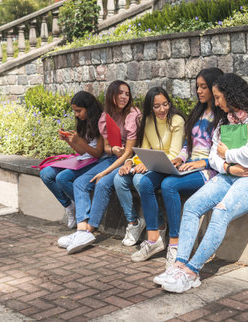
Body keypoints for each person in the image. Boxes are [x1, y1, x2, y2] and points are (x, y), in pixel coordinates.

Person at [155, 73, 248, 293]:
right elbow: (212, 157)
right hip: (229, 174)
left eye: (219, 97)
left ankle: (192, 272)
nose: (216, 102)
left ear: (231, 95)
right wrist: (229, 166)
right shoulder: (225, 120)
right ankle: (179, 265)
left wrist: (228, 153)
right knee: (191, 207)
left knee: (221, 211)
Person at [57, 80, 141, 254]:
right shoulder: (106, 116)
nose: (124, 97)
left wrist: (105, 171)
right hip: (113, 157)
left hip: (130, 159)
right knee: (80, 182)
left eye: (127, 93)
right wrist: (113, 149)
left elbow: (128, 153)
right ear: (111, 95)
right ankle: (81, 230)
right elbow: (107, 148)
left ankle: (89, 230)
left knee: (102, 183)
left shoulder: (133, 115)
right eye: (120, 93)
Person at [159, 68, 224, 268]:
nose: (199, 91)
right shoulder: (197, 112)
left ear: (215, 87)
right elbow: (188, 144)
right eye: (197, 87)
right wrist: (179, 158)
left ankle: (175, 242)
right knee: (163, 179)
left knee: (169, 184)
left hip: (210, 169)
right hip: (190, 165)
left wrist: (203, 163)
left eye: (203, 87)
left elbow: (221, 150)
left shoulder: (223, 115)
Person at [114, 87, 185, 263]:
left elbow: (173, 155)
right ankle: (136, 224)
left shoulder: (176, 120)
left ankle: (158, 229)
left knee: (141, 180)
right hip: (153, 163)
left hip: (168, 166)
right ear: (150, 107)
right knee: (119, 178)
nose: (162, 110)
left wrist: (147, 164)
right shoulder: (147, 121)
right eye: (157, 106)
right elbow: (145, 151)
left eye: (165, 104)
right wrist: (130, 161)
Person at [39, 91, 103, 229]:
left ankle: (83, 208)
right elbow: (81, 151)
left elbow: (98, 153)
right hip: (83, 159)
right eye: (75, 111)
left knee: (62, 178)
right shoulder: (83, 122)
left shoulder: (100, 122)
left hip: (96, 162)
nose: (76, 115)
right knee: (45, 174)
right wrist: (69, 141)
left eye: (79, 111)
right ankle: (70, 206)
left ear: (89, 108)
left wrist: (81, 141)